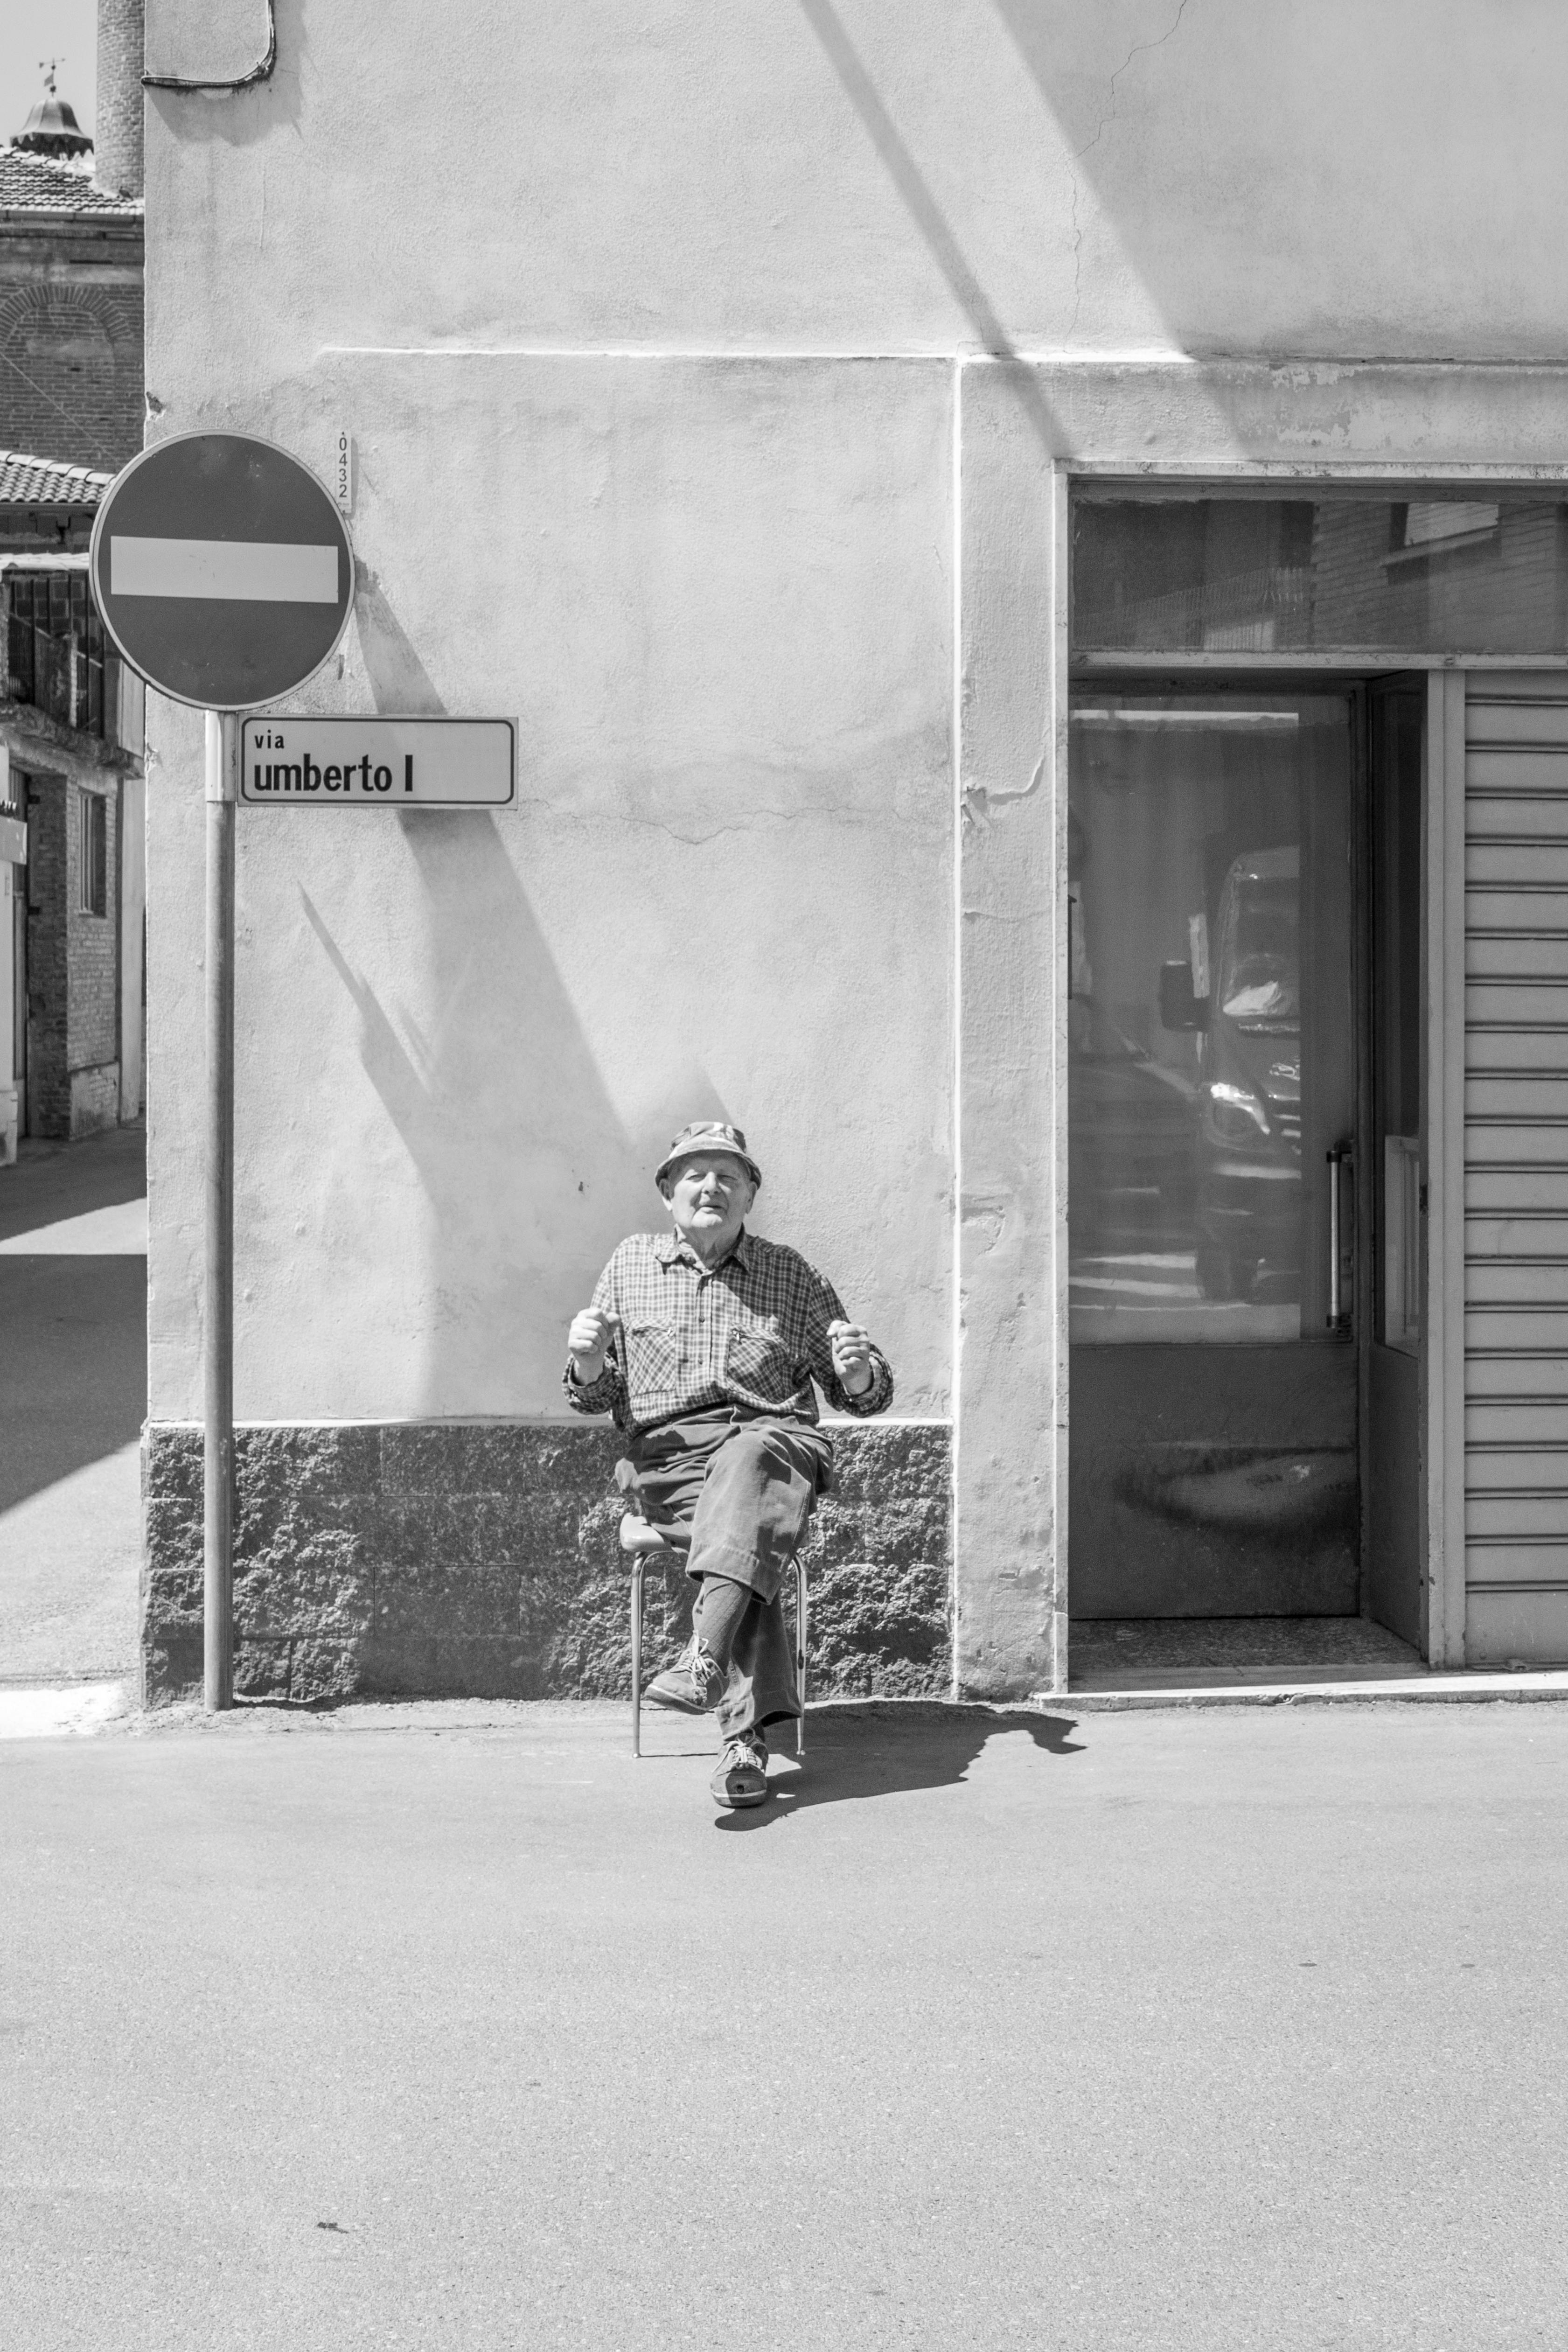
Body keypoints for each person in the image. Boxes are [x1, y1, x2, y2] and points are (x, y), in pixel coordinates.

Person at [564, 1120, 893, 1809]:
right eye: (694, 1174)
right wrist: (589, 1359)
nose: (711, 1186)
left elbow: (861, 1397)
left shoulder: (790, 1274)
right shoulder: (629, 1266)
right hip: (671, 1459)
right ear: (666, 1192)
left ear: (750, 1195)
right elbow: (593, 1394)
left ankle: (704, 1660)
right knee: (746, 1547)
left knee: (748, 1458)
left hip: (774, 1444)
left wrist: (858, 1374)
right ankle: (742, 1735)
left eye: (729, 1176)